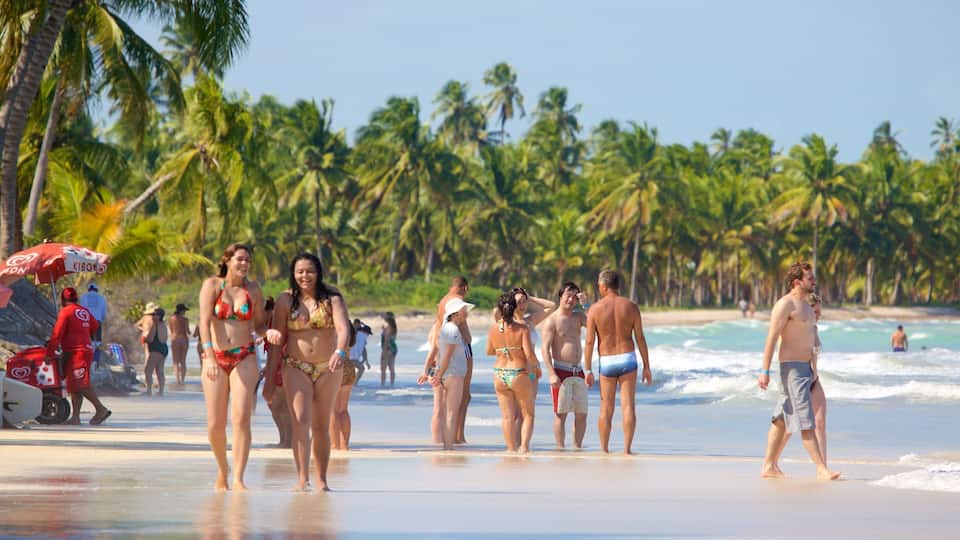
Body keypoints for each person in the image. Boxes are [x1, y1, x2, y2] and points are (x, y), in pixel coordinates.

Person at [263, 253, 350, 491]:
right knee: (300, 420)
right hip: (295, 366)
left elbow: (344, 329)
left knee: (321, 425)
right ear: (293, 273)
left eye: (310, 271)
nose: (305, 276)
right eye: (300, 271)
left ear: (318, 272)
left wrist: (340, 352)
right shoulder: (285, 300)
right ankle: (302, 478)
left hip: (328, 367)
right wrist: (270, 379)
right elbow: (276, 341)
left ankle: (321, 479)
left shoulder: (332, 298)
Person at [758, 261, 840, 480]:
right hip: (791, 370)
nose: (814, 281)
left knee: (781, 419)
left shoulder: (807, 306)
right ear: (797, 282)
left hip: (806, 370)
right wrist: (764, 371)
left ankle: (769, 466)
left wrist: (814, 369)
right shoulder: (786, 305)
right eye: (810, 278)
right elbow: (772, 338)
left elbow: (811, 340)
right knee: (806, 420)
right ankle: (821, 469)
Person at [197, 243, 268, 491]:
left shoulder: (253, 290)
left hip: (245, 356)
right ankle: (222, 469)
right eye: (239, 259)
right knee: (215, 423)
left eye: (248, 260)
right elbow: (204, 322)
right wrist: (209, 355)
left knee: (241, 418)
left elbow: (259, 324)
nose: (244, 264)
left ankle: (238, 477)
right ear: (227, 260)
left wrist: (267, 333)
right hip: (214, 355)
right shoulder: (212, 286)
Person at [583, 270, 652, 454]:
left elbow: (590, 341)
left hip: (607, 360)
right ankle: (627, 449)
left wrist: (587, 369)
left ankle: (604, 450)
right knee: (628, 405)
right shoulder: (631, 306)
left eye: (599, 285)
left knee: (606, 408)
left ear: (604, 286)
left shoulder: (595, 310)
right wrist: (647, 366)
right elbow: (640, 338)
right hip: (628, 357)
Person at [47, 287, 110, 425]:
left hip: (77, 352)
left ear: (63, 299)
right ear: (76, 298)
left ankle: (101, 409)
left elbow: (57, 334)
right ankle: (75, 417)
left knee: (80, 383)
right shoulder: (84, 311)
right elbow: (95, 325)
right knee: (74, 384)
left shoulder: (66, 312)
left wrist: (49, 352)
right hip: (84, 349)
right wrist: (83, 335)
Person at [422, 277, 472, 444]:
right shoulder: (456, 303)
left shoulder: (442, 301)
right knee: (460, 399)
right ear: (465, 288)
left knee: (438, 406)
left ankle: (437, 442)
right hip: (452, 357)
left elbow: (434, 346)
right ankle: (456, 439)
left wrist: (425, 371)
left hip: (438, 346)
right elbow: (467, 337)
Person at [541, 282, 590, 449]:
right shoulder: (552, 321)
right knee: (561, 414)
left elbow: (596, 325)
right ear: (560, 296)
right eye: (568, 296)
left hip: (579, 370)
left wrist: (586, 305)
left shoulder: (578, 316)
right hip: (561, 371)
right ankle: (560, 448)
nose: (570, 300)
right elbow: (545, 349)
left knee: (582, 413)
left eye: (574, 297)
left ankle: (577, 447)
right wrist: (551, 373)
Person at [486, 293, 537, 453]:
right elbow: (529, 354)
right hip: (518, 373)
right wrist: (536, 367)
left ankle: (510, 449)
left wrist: (504, 350)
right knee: (528, 414)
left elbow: (489, 351)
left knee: (507, 417)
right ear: (514, 308)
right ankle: (524, 448)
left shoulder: (494, 329)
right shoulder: (522, 329)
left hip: (499, 374)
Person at [510, 287, 556, 442]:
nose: (522, 305)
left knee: (527, 411)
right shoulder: (507, 322)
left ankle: (523, 445)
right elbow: (495, 311)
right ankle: (514, 445)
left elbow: (551, 306)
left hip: (532, 371)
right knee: (516, 412)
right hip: (516, 370)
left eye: (524, 302)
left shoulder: (530, 321)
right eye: (518, 302)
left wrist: (531, 297)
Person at [262, 297, 291, 448]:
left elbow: (283, 343)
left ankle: (288, 440)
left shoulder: (275, 319)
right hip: (276, 364)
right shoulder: (268, 323)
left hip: (283, 364)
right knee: (274, 404)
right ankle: (284, 438)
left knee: (280, 404)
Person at [331, 318, 360, 451]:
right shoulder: (350, 333)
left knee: (333, 410)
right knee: (343, 409)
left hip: (336, 366)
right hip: (349, 366)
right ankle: (344, 444)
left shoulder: (336, 331)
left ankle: (335, 444)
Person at [141, 303, 169, 397]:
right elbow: (165, 338)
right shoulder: (164, 325)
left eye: (154, 315)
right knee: (160, 370)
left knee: (148, 370)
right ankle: (161, 391)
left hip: (155, 349)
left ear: (158, 316)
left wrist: (144, 339)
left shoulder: (155, 325)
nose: (152, 316)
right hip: (164, 348)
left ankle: (149, 391)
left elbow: (150, 339)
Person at [79, 282, 107, 365]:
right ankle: (96, 361)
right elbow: (103, 313)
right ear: (96, 290)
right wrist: (101, 320)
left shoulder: (83, 297)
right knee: (97, 342)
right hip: (97, 321)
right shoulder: (101, 298)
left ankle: (87, 361)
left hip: (86, 321)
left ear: (88, 289)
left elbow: (81, 310)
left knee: (87, 341)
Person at [169, 304, 190, 385]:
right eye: (184, 310)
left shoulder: (171, 318)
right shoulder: (185, 319)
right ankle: (183, 380)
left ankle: (177, 380)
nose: (185, 312)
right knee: (183, 361)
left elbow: (171, 330)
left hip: (175, 339)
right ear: (181, 310)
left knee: (175, 361)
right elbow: (187, 331)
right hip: (184, 339)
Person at [380, 312, 398, 387]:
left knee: (383, 369)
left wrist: (384, 352)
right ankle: (392, 385)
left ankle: (382, 385)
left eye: (385, 316)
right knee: (391, 368)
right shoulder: (394, 326)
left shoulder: (388, 327)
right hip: (393, 348)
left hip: (387, 349)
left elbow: (386, 340)